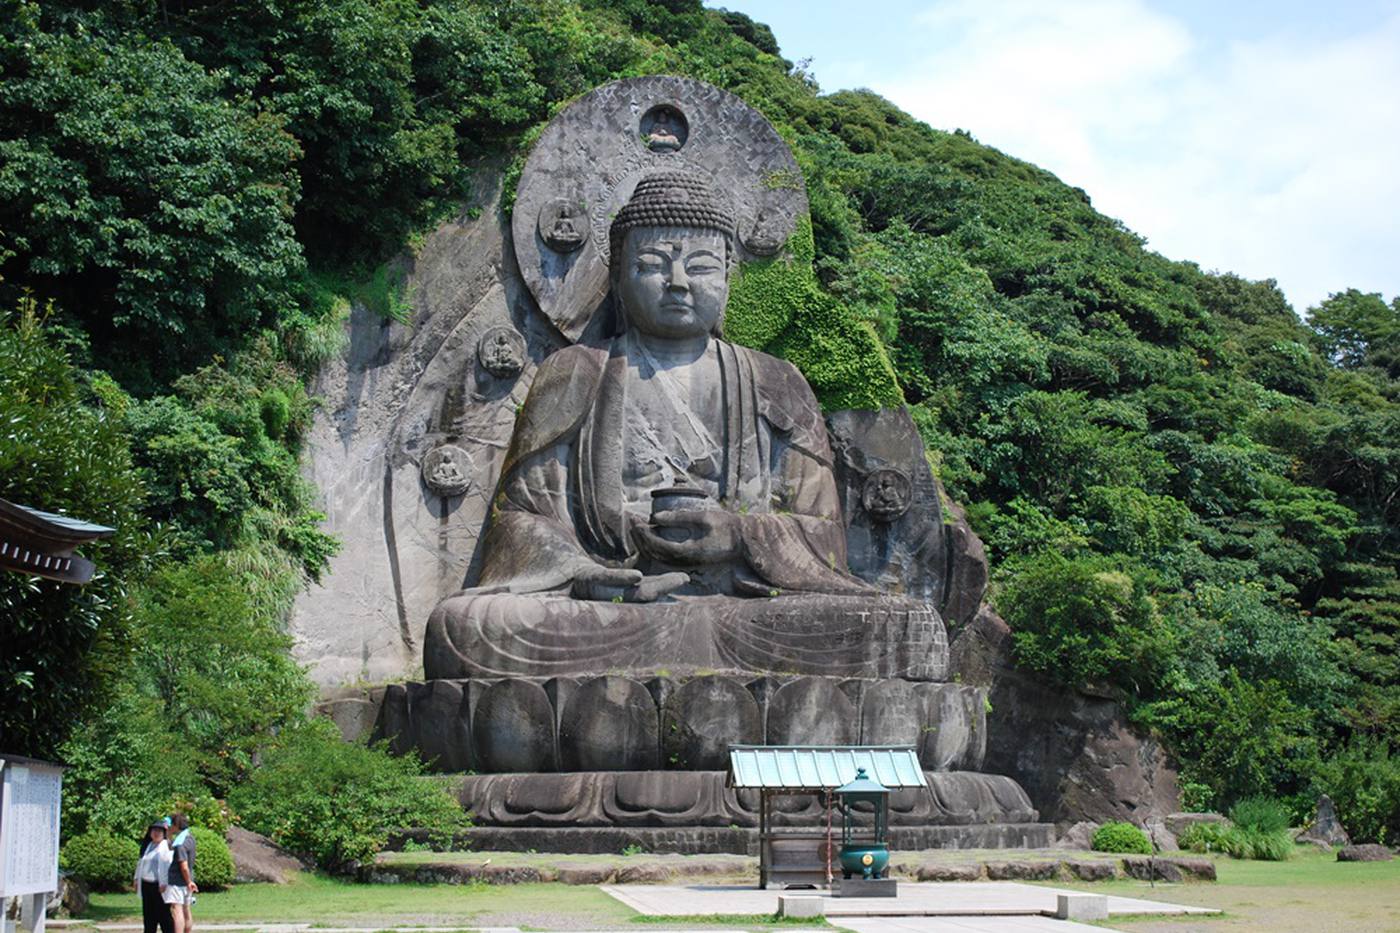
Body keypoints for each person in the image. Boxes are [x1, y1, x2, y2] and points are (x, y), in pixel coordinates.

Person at [133, 820, 173, 933]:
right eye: (154, 830)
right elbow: (141, 862)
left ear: (164, 833)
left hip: (159, 886)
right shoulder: (148, 845)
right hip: (146, 885)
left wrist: (164, 882)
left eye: (159, 831)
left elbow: (167, 865)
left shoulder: (166, 846)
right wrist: (136, 878)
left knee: (163, 916)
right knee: (149, 916)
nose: (156, 833)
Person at [162, 813, 198, 933]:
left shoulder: (180, 843)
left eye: (171, 825)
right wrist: (189, 881)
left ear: (176, 825)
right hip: (187, 881)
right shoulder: (190, 838)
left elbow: (183, 866)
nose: (170, 827)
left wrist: (188, 882)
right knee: (186, 909)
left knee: (177, 911)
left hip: (178, 881)